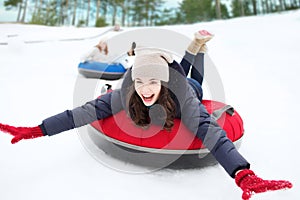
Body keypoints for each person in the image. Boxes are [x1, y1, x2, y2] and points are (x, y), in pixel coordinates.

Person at [0, 30, 292, 200]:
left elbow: (209, 129)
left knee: (196, 82)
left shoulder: (182, 97)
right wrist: (38, 129)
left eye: (152, 82)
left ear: (163, 82)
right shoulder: (129, 91)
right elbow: (86, 111)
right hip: (167, 74)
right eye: (139, 82)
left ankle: (198, 48)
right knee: (150, 81)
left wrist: (242, 172)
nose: (144, 89)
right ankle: (193, 47)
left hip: (185, 87)